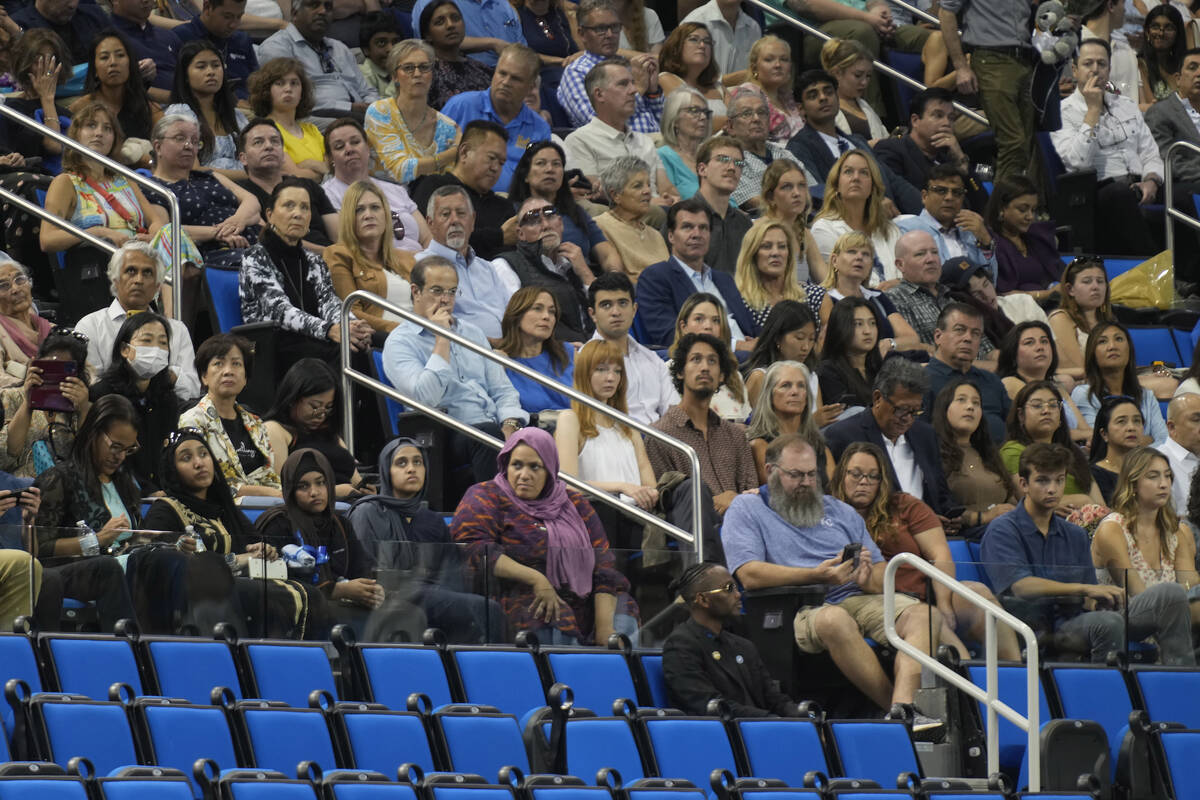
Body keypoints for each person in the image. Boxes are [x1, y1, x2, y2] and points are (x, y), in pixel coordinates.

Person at [722, 434, 944, 725]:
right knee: (834, 619)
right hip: (799, 606)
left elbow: (880, 573)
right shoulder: (747, 508)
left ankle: (902, 707)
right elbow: (749, 574)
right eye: (795, 475)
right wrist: (817, 575)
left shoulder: (840, 510)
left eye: (812, 474)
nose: (805, 482)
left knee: (924, 616)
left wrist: (866, 577)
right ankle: (899, 715)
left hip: (855, 596)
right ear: (770, 471)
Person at [983, 442, 1192, 663]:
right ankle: (1103, 692)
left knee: (1171, 595)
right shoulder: (1003, 529)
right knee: (1108, 623)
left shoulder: (1074, 534)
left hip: (1079, 620)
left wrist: (1100, 600)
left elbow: (1089, 598)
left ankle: (1181, 681)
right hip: (1032, 627)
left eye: (1059, 480)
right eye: (1043, 480)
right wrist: (1084, 589)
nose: (1053, 489)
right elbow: (1020, 587)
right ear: (1024, 484)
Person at [833, 440, 1021, 658]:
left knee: (979, 595)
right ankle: (967, 681)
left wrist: (944, 603)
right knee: (932, 621)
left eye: (873, 476)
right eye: (855, 474)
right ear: (841, 476)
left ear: (882, 480)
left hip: (926, 593)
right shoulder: (830, 516)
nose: (864, 482)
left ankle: (1016, 675)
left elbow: (939, 554)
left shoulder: (904, 505)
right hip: (880, 600)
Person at [452, 427, 639, 645]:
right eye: (517, 465)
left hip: (584, 599)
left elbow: (604, 566)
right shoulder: (486, 495)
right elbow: (474, 548)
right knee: (551, 613)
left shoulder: (574, 504)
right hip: (520, 593)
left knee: (624, 614)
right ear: (505, 464)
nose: (524, 475)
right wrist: (536, 579)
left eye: (535, 467)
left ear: (550, 469)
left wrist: (605, 628)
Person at [141, 429, 311, 639]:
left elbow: (257, 546)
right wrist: (239, 560)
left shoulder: (225, 508)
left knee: (310, 595)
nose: (199, 463)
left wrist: (263, 551)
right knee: (256, 594)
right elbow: (169, 569)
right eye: (186, 458)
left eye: (204, 454)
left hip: (243, 588)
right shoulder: (165, 510)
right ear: (172, 470)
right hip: (196, 602)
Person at [383, 255, 528, 482]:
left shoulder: (473, 333)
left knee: (541, 435)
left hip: (491, 427)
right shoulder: (400, 342)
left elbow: (503, 390)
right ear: (416, 291)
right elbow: (425, 398)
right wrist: (442, 338)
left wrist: (510, 426)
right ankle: (493, 513)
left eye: (452, 292)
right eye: (437, 291)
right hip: (441, 436)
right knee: (487, 434)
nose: (446, 300)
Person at [348, 437, 502, 643]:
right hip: (390, 595)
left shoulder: (433, 520)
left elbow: (452, 572)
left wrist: (448, 597)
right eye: (401, 463)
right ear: (386, 471)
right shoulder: (368, 512)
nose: (411, 469)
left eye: (417, 462)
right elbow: (363, 567)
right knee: (488, 610)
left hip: (432, 596)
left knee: (477, 613)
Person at [257, 449, 406, 641]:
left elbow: (362, 568)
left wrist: (372, 590)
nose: (314, 492)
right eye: (303, 486)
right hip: (301, 613)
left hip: (344, 606)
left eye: (321, 483)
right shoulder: (277, 524)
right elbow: (278, 589)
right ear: (290, 491)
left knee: (408, 612)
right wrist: (337, 590)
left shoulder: (340, 524)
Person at [40, 103, 168, 324]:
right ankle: (169, 319)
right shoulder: (66, 182)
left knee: (171, 234)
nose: (99, 132)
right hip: (101, 261)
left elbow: (155, 220)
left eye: (107, 128)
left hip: (138, 253)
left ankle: (168, 318)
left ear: (114, 138)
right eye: (91, 125)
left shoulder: (124, 179)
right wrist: (97, 232)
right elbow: (47, 240)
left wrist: (152, 235)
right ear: (76, 134)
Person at [32, 394, 139, 633]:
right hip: (69, 570)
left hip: (120, 563)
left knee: (161, 562)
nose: (120, 456)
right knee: (108, 567)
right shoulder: (59, 478)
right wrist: (97, 539)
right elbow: (40, 548)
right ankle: (130, 651)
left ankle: (170, 650)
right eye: (115, 446)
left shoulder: (125, 484)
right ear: (93, 433)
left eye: (127, 449)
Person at [240, 179, 373, 369]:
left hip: (314, 340)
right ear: (269, 215)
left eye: (305, 208)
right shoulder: (255, 257)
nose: (298, 214)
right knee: (345, 354)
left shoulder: (314, 260)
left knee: (363, 347)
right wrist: (329, 330)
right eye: (289, 206)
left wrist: (352, 325)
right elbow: (279, 310)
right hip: (273, 350)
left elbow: (329, 303)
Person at [1051, 39, 1164, 257]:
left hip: (1140, 184)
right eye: (1088, 63)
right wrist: (1092, 111)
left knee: (1182, 195)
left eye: (1102, 64)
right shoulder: (1061, 113)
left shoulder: (1127, 106)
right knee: (1119, 194)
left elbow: (1151, 153)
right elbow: (1078, 163)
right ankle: (1154, 268)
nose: (1096, 69)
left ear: (1109, 70)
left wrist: (1152, 180)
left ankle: (1189, 278)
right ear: (1074, 70)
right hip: (1097, 192)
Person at [824, 356, 958, 520]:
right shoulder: (845, 436)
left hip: (931, 529)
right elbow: (843, 502)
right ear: (878, 398)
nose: (908, 418)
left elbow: (941, 493)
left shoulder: (925, 435)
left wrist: (952, 515)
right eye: (901, 409)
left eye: (915, 411)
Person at [662, 563, 804, 717]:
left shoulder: (743, 645)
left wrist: (805, 717)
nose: (738, 595)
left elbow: (775, 699)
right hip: (720, 735)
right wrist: (772, 721)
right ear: (703, 599)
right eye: (729, 589)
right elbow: (710, 706)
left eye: (737, 588)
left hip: (760, 728)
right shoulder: (681, 645)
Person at [1094, 446, 1200, 650]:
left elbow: (1191, 584)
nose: (1164, 484)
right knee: (1171, 594)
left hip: (1170, 615)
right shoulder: (1113, 528)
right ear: (1132, 484)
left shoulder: (1175, 532)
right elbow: (1136, 592)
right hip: (1124, 618)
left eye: (1168, 476)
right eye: (1153, 477)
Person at [646, 332, 757, 519]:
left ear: (721, 376)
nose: (705, 367)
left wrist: (734, 499)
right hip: (694, 539)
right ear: (680, 371)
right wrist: (715, 503)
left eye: (712, 361)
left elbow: (752, 494)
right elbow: (663, 508)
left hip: (742, 530)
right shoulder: (660, 436)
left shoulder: (735, 436)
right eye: (696, 360)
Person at [75, 244, 201, 408]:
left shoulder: (177, 330)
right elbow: (91, 386)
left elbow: (193, 389)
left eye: (147, 273)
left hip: (166, 414)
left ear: (157, 286)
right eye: (131, 271)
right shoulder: (91, 325)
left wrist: (167, 374)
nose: (139, 280)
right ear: (116, 280)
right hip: (112, 415)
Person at [785, 71, 921, 214]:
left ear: (837, 98)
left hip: (889, 217)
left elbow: (894, 182)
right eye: (813, 96)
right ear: (801, 109)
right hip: (844, 223)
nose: (823, 98)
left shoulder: (858, 141)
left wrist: (927, 211)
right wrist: (871, 205)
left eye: (828, 92)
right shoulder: (798, 148)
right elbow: (817, 192)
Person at [635, 199, 758, 349]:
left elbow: (751, 326)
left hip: (752, 358)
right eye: (687, 227)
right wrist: (735, 346)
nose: (696, 234)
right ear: (671, 236)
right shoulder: (656, 277)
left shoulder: (724, 279)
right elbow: (668, 335)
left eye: (703, 228)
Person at [938, 0, 1036, 182]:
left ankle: (1024, 205)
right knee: (1013, 142)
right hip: (991, 59)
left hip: (1025, 59)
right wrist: (960, 66)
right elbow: (946, 13)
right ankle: (1003, 207)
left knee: (1028, 143)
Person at [149, 114, 261, 273]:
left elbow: (252, 201)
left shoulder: (209, 176)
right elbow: (163, 231)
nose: (189, 146)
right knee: (258, 265)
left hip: (254, 242)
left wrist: (237, 220)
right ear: (158, 146)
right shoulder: (153, 187)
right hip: (213, 253)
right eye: (180, 138)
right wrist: (216, 233)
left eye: (195, 141)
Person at [178, 334, 282, 497]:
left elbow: (270, 478)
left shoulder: (255, 423)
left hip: (264, 506)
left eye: (236, 364)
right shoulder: (192, 420)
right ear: (204, 376)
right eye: (218, 364)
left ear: (246, 378)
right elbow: (200, 482)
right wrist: (265, 493)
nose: (228, 371)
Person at [562, 59, 677, 205]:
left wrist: (674, 200)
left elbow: (667, 188)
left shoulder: (645, 141)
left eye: (632, 83)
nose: (634, 90)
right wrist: (652, 203)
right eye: (623, 84)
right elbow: (594, 193)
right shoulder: (579, 140)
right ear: (599, 94)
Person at [88, 312, 178, 492]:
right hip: (118, 491)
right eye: (147, 340)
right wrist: (148, 491)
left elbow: (169, 456)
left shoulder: (167, 399)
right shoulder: (103, 395)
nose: (156, 349)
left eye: (162, 343)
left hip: (163, 494)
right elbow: (102, 458)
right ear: (124, 349)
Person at [440, 44, 550, 190]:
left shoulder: (539, 128)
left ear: (530, 88)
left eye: (515, 79)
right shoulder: (461, 106)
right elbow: (435, 159)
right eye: (502, 74)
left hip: (513, 205)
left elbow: (539, 180)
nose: (505, 82)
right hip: (460, 197)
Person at [413, 184, 515, 338]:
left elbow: (510, 315)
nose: (454, 220)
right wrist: (491, 344)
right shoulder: (420, 265)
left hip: (507, 352)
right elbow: (434, 324)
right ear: (430, 223)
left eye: (461, 213)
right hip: (461, 352)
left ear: (473, 220)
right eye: (445, 214)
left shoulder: (487, 268)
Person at [410, 120, 521, 262]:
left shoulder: (503, 206)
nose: (495, 168)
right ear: (464, 152)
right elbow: (438, 237)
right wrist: (498, 237)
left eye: (501, 163)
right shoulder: (434, 187)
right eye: (491, 158)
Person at [508, 141, 623, 274]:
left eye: (556, 164)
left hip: (585, 282)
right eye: (541, 163)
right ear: (526, 175)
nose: (550, 169)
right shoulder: (513, 212)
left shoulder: (576, 212)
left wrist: (614, 276)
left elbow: (607, 254)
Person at [492, 198, 596, 343]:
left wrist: (585, 273)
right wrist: (561, 349)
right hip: (552, 355)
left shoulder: (575, 263)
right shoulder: (506, 265)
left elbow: (605, 311)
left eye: (550, 216)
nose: (546, 225)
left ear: (560, 223)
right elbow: (518, 322)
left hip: (594, 349)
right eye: (533, 219)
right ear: (520, 233)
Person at [256, 0, 379, 121]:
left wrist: (372, 107)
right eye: (313, 5)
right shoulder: (277, 47)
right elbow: (288, 97)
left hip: (359, 115)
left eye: (328, 6)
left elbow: (366, 90)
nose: (323, 11)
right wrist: (349, 107)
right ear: (294, 13)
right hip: (311, 118)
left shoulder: (340, 47)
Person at [262, 358, 366, 500]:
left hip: (351, 504)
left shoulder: (331, 435)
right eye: (315, 406)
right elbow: (282, 491)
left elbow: (356, 482)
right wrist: (332, 492)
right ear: (292, 399)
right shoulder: (276, 430)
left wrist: (366, 490)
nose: (321, 414)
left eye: (328, 408)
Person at [324, 118, 429, 255]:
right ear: (330, 158)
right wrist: (411, 258)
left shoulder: (395, 189)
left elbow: (427, 238)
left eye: (355, 142)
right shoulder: (326, 195)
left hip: (422, 266)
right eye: (339, 146)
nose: (349, 149)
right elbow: (350, 247)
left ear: (368, 149)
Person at [325, 179, 416, 336]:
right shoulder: (338, 254)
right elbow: (352, 313)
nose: (368, 215)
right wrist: (401, 330)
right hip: (382, 341)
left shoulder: (407, 258)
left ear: (386, 214)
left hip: (418, 335)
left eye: (375, 208)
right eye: (359, 210)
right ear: (348, 218)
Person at [886, 231, 995, 360]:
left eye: (934, 252)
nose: (931, 259)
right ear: (900, 265)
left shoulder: (955, 296)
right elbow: (916, 349)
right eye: (920, 254)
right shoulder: (895, 299)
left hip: (982, 373)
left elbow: (988, 349)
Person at [557, 0, 664, 132]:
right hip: (616, 148)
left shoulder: (630, 66)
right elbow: (598, 124)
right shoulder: (576, 72)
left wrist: (653, 93)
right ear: (582, 34)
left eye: (614, 27)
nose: (610, 35)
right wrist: (639, 89)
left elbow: (662, 120)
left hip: (656, 143)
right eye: (600, 29)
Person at [365, 39, 460, 185]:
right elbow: (399, 171)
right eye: (408, 68)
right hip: (383, 200)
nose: (417, 73)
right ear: (395, 76)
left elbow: (451, 180)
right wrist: (453, 153)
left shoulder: (448, 126)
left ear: (432, 74)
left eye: (424, 67)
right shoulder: (380, 112)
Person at [587, 272, 678, 425]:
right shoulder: (584, 360)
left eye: (622, 303)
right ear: (593, 314)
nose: (616, 312)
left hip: (662, 441)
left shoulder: (652, 359)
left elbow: (673, 412)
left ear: (634, 309)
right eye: (606, 305)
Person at [0, 327, 92, 478]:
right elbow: (9, 453)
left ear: (77, 374)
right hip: (20, 489)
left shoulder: (81, 406)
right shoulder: (10, 398)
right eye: (49, 368)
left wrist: (83, 411)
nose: (54, 377)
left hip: (66, 491)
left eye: (63, 370)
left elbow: (89, 460)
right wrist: (28, 403)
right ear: (33, 364)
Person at [932, 378, 1019, 535]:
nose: (970, 407)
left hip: (1004, 529)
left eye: (976, 403)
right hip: (965, 535)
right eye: (961, 400)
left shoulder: (988, 453)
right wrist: (983, 517)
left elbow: (1010, 498)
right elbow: (937, 507)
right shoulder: (933, 452)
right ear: (944, 409)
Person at [235, 118, 337, 252]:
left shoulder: (308, 185)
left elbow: (339, 235)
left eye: (274, 141)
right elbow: (272, 240)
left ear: (283, 155)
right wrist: (329, 253)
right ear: (243, 158)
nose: (268, 146)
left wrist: (342, 255)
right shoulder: (239, 193)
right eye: (258, 142)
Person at [1000, 380, 1104, 510]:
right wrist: (1084, 500)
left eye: (1053, 405)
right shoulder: (1013, 451)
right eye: (1037, 405)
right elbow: (1029, 499)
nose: (1046, 411)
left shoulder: (1072, 452)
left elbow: (1100, 505)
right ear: (1021, 415)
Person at [819, 231, 926, 354]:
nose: (859, 257)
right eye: (851, 252)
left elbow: (912, 339)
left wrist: (889, 344)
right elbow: (838, 343)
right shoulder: (825, 298)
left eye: (866, 254)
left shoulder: (878, 296)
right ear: (834, 260)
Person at [874, 89, 980, 210]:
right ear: (915, 121)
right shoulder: (891, 150)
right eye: (938, 115)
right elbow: (899, 202)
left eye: (951, 118)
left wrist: (961, 160)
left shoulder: (948, 158)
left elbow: (982, 204)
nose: (946, 123)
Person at [809, 151, 905, 282]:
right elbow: (836, 285)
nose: (856, 178)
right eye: (848, 172)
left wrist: (897, 285)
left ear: (872, 186)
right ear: (836, 184)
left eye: (864, 173)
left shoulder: (890, 230)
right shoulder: (824, 229)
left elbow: (906, 275)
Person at [1072, 322, 1170, 445]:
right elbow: (1100, 443)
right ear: (1093, 353)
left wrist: (1129, 442)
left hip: (1148, 463)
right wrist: (1148, 439)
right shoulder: (1084, 394)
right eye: (1102, 341)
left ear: (1129, 349)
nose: (1112, 346)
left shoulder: (1146, 395)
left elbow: (1164, 441)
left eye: (1119, 339)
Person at [923, 303, 1009, 443]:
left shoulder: (991, 380)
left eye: (975, 333)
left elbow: (1016, 425)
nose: (968, 338)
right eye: (960, 330)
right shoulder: (921, 381)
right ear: (938, 336)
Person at [996, 321, 1091, 444]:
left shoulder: (1056, 386)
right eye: (1029, 343)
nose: (1040, 347)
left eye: (1044, 341)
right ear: (1013, 353)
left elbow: (1085, 429)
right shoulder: (1010, 383)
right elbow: (1048, 431)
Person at [725, 86, 816, 213]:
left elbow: (813, 189)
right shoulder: (730, 161)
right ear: (730, 126)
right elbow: (754, 202)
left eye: (762, 112)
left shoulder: (784, 153)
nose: (756, 119)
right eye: (746, 114)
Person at [895, 166, 997, 278]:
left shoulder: (970, 231)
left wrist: (986, 243)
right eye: (940, 191)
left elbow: (991, 282)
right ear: (924, 196)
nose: (949, 197)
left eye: (957, 192)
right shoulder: (905, 230)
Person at [165, 41, 248, 176]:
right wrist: (252, 177)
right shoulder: (180, 114)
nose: (211, 72)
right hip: (204, 190)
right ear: (185, 76)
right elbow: (192, 170)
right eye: (201, 67)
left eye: (216, 66)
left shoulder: (235, 115)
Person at [667, 294, 752, 421]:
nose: (708, 326)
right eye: (699, 319)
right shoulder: (666, 372)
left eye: (716, 320)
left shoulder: (734, 375)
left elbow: (748, 422)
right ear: (683, 326)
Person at [492, 287, 576, 414]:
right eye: (537, 308)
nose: (546, 316)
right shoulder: (501, 362)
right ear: (517, 315)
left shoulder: (568, 352)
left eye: (552, 311)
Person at [747, 360, 833, 484]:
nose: (795, 392)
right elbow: (777, 491)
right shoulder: (760, 445)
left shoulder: (820, 447)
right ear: (770, 395)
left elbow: (835, 493)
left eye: (801, 386)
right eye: (785, 385)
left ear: (807, 397)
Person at [71, 30, 161, 146]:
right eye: (104, 57)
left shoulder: (150, 109)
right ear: (95, 69)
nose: (113, 62)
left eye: (120, 55)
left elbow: (165, 149)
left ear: (130, 63)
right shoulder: (81, 107)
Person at [742, 300, 828, 419]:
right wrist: (812, 424)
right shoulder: (760, 377)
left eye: (811, 339)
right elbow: (754, 428)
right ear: (777, 338)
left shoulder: (811, 376)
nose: (806, 347)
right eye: (800, 338)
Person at [1, 30, 72, 173]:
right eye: (38, 61)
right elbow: (53, 145)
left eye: (51, 61)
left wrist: (47, 100)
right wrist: (46, 98)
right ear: (24, 64)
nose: (45, 69)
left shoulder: (66, 114)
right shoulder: (10, 110)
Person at [247, 57, 327, 180]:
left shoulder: (312, 130)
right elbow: (295, 176)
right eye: (280, 83)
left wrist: (309, 165)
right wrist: (323, 171)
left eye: (294, 83)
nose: (288, 89)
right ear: (267, 90)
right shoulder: (266, 131)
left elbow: (335, 168)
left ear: (302, 91)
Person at [593, 158, 671, 281]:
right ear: (615, 195)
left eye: (648, 185)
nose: (647, 191)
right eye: (638, 186)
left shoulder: (655, 234)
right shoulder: (599, 226)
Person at [986, 175, 1062, 299]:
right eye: (1023, 209)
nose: (1030, 216)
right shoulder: (990, 243)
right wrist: (1046, 294)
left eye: (1033, 210)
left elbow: (1058, 275)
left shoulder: (1037, 238)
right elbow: (1000, 294)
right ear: (1001, 208)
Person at [735, 219, 817, 331]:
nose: (775, 253)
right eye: (766, 246)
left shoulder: (814, 296)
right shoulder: (738, 301)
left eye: (782, 246)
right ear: (752, 253)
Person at [688, 135, 754, 273]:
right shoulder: (682, 218)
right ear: (702, 169)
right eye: (723, 159)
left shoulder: (745, 224)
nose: (732, 168)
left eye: (739, 163)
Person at [172, 0, 260, 100]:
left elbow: (257, 85)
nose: (234, 25)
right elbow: (178, 89)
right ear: (207, 7)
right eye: (227, 17)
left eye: (239, 17)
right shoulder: (180, 37)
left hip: (249, 108)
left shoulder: (242, 40)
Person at [420, 0, 496, 110]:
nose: (450, 25)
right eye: (440, 22)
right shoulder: (424, 74)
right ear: (427, 35)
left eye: (455, 18)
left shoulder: (483, 70)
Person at [760, 161, 827, 284]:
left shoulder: (804, 234)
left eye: (801, 186)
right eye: (787, 186)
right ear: (770, 197)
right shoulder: (758, 232)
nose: (797, 193)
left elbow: (826, 281)